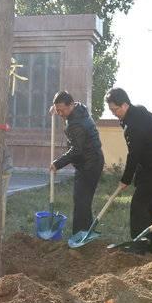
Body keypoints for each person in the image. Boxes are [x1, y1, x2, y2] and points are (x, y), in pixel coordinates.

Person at [106, 88, 152, 254]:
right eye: (111, 110)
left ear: (125, 104)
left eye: (115, 109)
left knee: (138, 206)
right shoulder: (140, 111)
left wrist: (126, 179)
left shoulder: (134, 124)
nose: (114, 113)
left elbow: (134, 154)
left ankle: (139, 247)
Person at [50, 90, 104, 236]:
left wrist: (57, 163)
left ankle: (79, 235)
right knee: (83, 200)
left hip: (89, 164)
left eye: (62, 110)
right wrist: (55, 108)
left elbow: (76, 151)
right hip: (91, 160)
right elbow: (63, 105)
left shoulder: (77, 124)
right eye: (57, 110)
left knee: (81, 201)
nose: (60, 113)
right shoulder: (80, 109)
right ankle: (87, 232)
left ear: (71, 105)